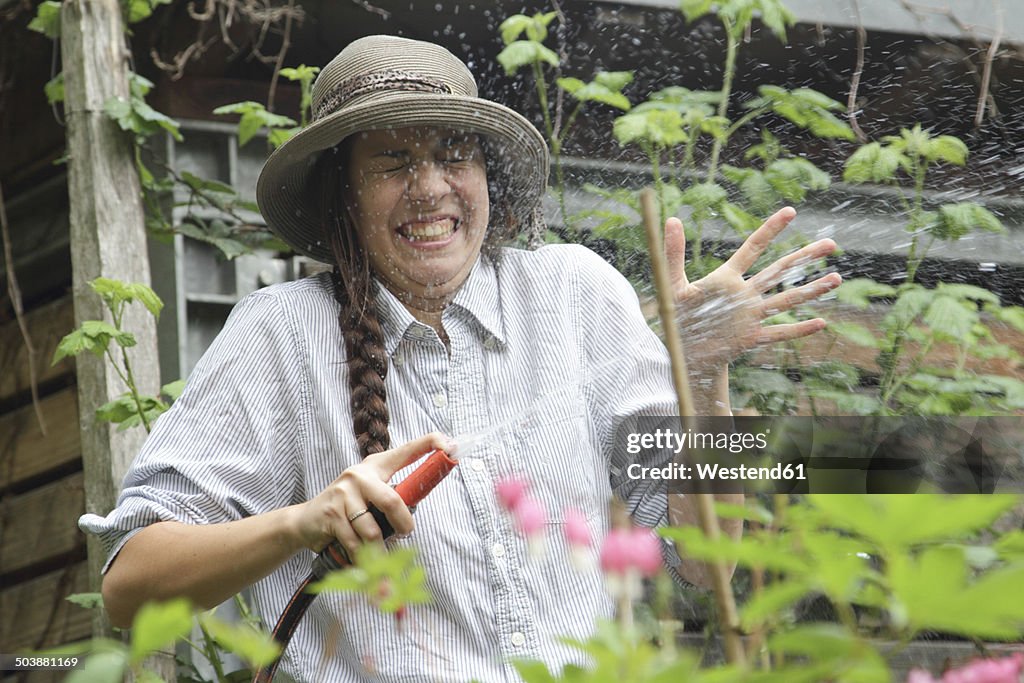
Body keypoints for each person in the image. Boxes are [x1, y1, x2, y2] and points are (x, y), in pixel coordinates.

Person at [80, 35, 841, 681]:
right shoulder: (279, 335)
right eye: (392, 161)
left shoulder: (577, 294)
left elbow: (711, 568)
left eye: (454, 154)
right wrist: (300, 523)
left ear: (487, 176)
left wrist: (704, 372)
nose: (431, 187)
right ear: (342, 194)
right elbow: (129, 584)